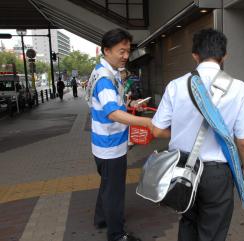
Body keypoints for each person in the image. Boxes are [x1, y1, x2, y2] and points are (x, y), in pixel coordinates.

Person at [151, 28, 244, 241]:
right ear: (224, 56)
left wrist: (182, 129)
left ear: (194, 55)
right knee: (212, 231)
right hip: (217, 174)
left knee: (188, 222)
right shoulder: (238, 88)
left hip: (182, 168)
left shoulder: (175, 85)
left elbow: (156, 130)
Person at [90, 28, 152, 241]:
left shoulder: (102, 71)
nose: (126, 56)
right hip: (111, 145)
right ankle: (117, 235)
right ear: (107, 50)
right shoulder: (105, 79)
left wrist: (129, 104)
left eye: (128, 51)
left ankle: (101, 218)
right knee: (114, 192)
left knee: (107, 185)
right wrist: (146, 122)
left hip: (102, 143)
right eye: (121, 51)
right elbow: (113, 113)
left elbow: (113, 105)